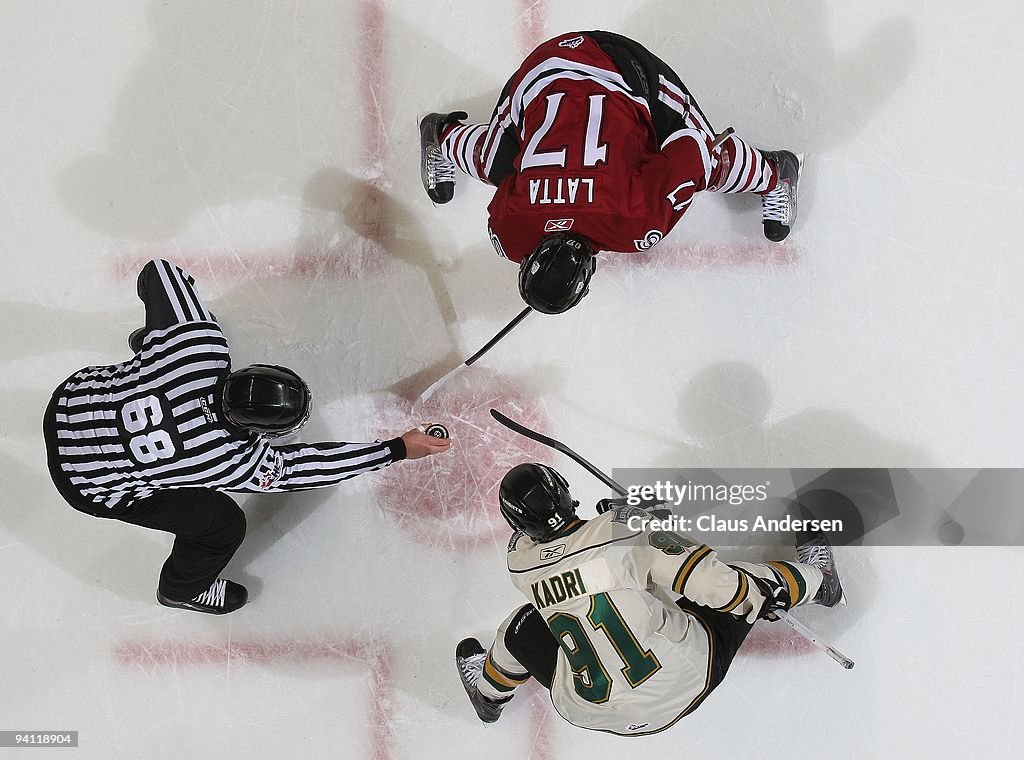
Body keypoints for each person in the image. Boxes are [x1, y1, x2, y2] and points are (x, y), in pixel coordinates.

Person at [43, 259, 451, 615]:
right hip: (89, 484)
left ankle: (154, 349)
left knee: (165, 347)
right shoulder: (231, 459)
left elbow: (159, 272)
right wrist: (395, 449)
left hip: (70, 403)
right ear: (256, 432)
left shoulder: (200, 346)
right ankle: (182, 590)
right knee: (222, 525)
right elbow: (305, 467)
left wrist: (167, 338)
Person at [419, 30, 801, 314]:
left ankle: (776, 172)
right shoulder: (507, 233)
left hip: (619, 68)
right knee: (495, 164)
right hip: (542, 69)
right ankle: (440, 133)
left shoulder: (636, 222)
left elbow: (693, 155)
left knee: (709, 159)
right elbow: (517, 189)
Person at [455, 463, 845, 736]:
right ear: (565, 492)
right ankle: (820, 582)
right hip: (687, 681)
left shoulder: (519, 563)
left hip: (596, 712)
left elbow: (579, 554)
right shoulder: (626, 531)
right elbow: (720, 587)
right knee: (747, 581)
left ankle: (488, 695)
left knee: (519, 629)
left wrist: (629, 521)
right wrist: (651, 523)